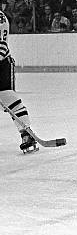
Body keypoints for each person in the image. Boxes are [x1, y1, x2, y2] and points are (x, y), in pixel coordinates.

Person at [0, 10, 37, 153]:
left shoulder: (1, 18)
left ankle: (26, 134)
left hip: (2, 64)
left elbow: (2, 47)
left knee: (9, 99)